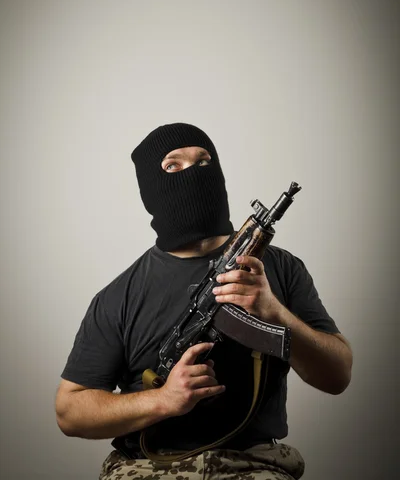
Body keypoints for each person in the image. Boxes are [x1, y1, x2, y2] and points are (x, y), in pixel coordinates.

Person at [55, 122, 353, 480]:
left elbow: (338, 375)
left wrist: (273, 312)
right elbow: (70, 411)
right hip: (147, 465)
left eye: (204, 162)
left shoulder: (278, 268)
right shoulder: (120, 295)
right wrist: (163, 399)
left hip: (252, 464)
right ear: (150, 186)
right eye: (173, 166)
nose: (193, 174)